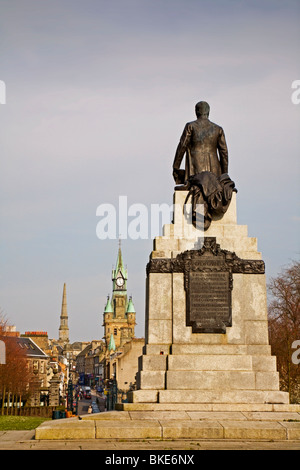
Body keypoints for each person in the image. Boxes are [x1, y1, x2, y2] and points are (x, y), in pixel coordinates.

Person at [173, 101, 228, 185]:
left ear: (196, 112)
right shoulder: (218, 129)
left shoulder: (190, 126)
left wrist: (175, 166)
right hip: (214, 170)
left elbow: (182, 146)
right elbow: (224, 153)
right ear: (208, 112)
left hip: (195, 167)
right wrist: (224, 175)